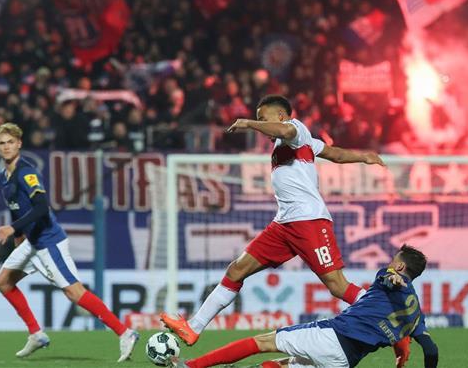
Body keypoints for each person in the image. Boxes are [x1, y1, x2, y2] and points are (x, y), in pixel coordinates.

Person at [161, 95, 391, 347]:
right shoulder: (298, 143)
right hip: (284, 224)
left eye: (263, 118)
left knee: (337, 286)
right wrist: (364, 157)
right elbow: (334, 153)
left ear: (281, 115)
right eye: (258, 119)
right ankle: (193, 327)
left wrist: (249, 123)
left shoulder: (295, 129)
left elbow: (285, 130)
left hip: (309, 220)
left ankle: (388, 322)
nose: (261, 123)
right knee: (237, 270)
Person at [0, 123, 139, 361]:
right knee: (4, 282)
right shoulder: (5, 175)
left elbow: (41, 207)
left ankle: (125, 333)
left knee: (74, 292)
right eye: (1, 143)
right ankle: (36, 334)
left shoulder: (26, 173)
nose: (6, 147)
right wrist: (19, 236)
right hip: (31, 241)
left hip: (48, 241)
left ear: (19, 144)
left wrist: (12, 228)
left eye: (10, 142)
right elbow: (16, 208)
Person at [171, 245, 438, 368]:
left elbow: (390, 279)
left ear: (399, 266)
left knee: (263, 342)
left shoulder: (387, 277)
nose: (390, 265)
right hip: (344, 362)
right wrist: (401, 353)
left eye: (393, 262)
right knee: (285, 365)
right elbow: (430, 349)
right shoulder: (416, 315)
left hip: (332, 337)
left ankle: (191, 367)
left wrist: (393, 278)